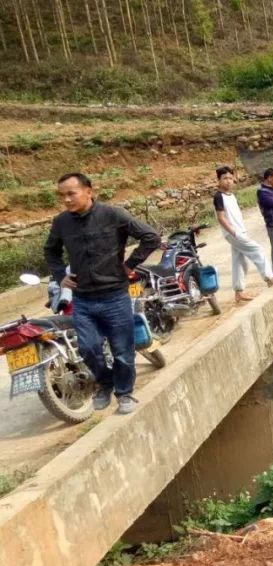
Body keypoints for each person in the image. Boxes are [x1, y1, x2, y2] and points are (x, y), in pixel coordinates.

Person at [44, 173, 161, 414]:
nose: (66, 200)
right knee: (88, 349)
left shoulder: (113, 215)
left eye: (71, 193)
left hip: (115, 297)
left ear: (89, 191)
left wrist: (129, 265)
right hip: (83, 299)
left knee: (123, 353)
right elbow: (50, 252)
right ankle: (105, 383)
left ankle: (125, 393)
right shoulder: (61, 223)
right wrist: (60, 277)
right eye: (62, 195)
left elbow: (150, 237)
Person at [213, 166, 273, 303]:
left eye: (230, 178)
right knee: (257, 249)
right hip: (233, 233)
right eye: (225, 179)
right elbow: (221, 217)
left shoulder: (231, 195)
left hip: (239, 231)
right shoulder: (219, 196)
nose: (228, 181)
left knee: (239, 262)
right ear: (218, 180)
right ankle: (269, 278)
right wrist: (233, 232)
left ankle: (238, 292)